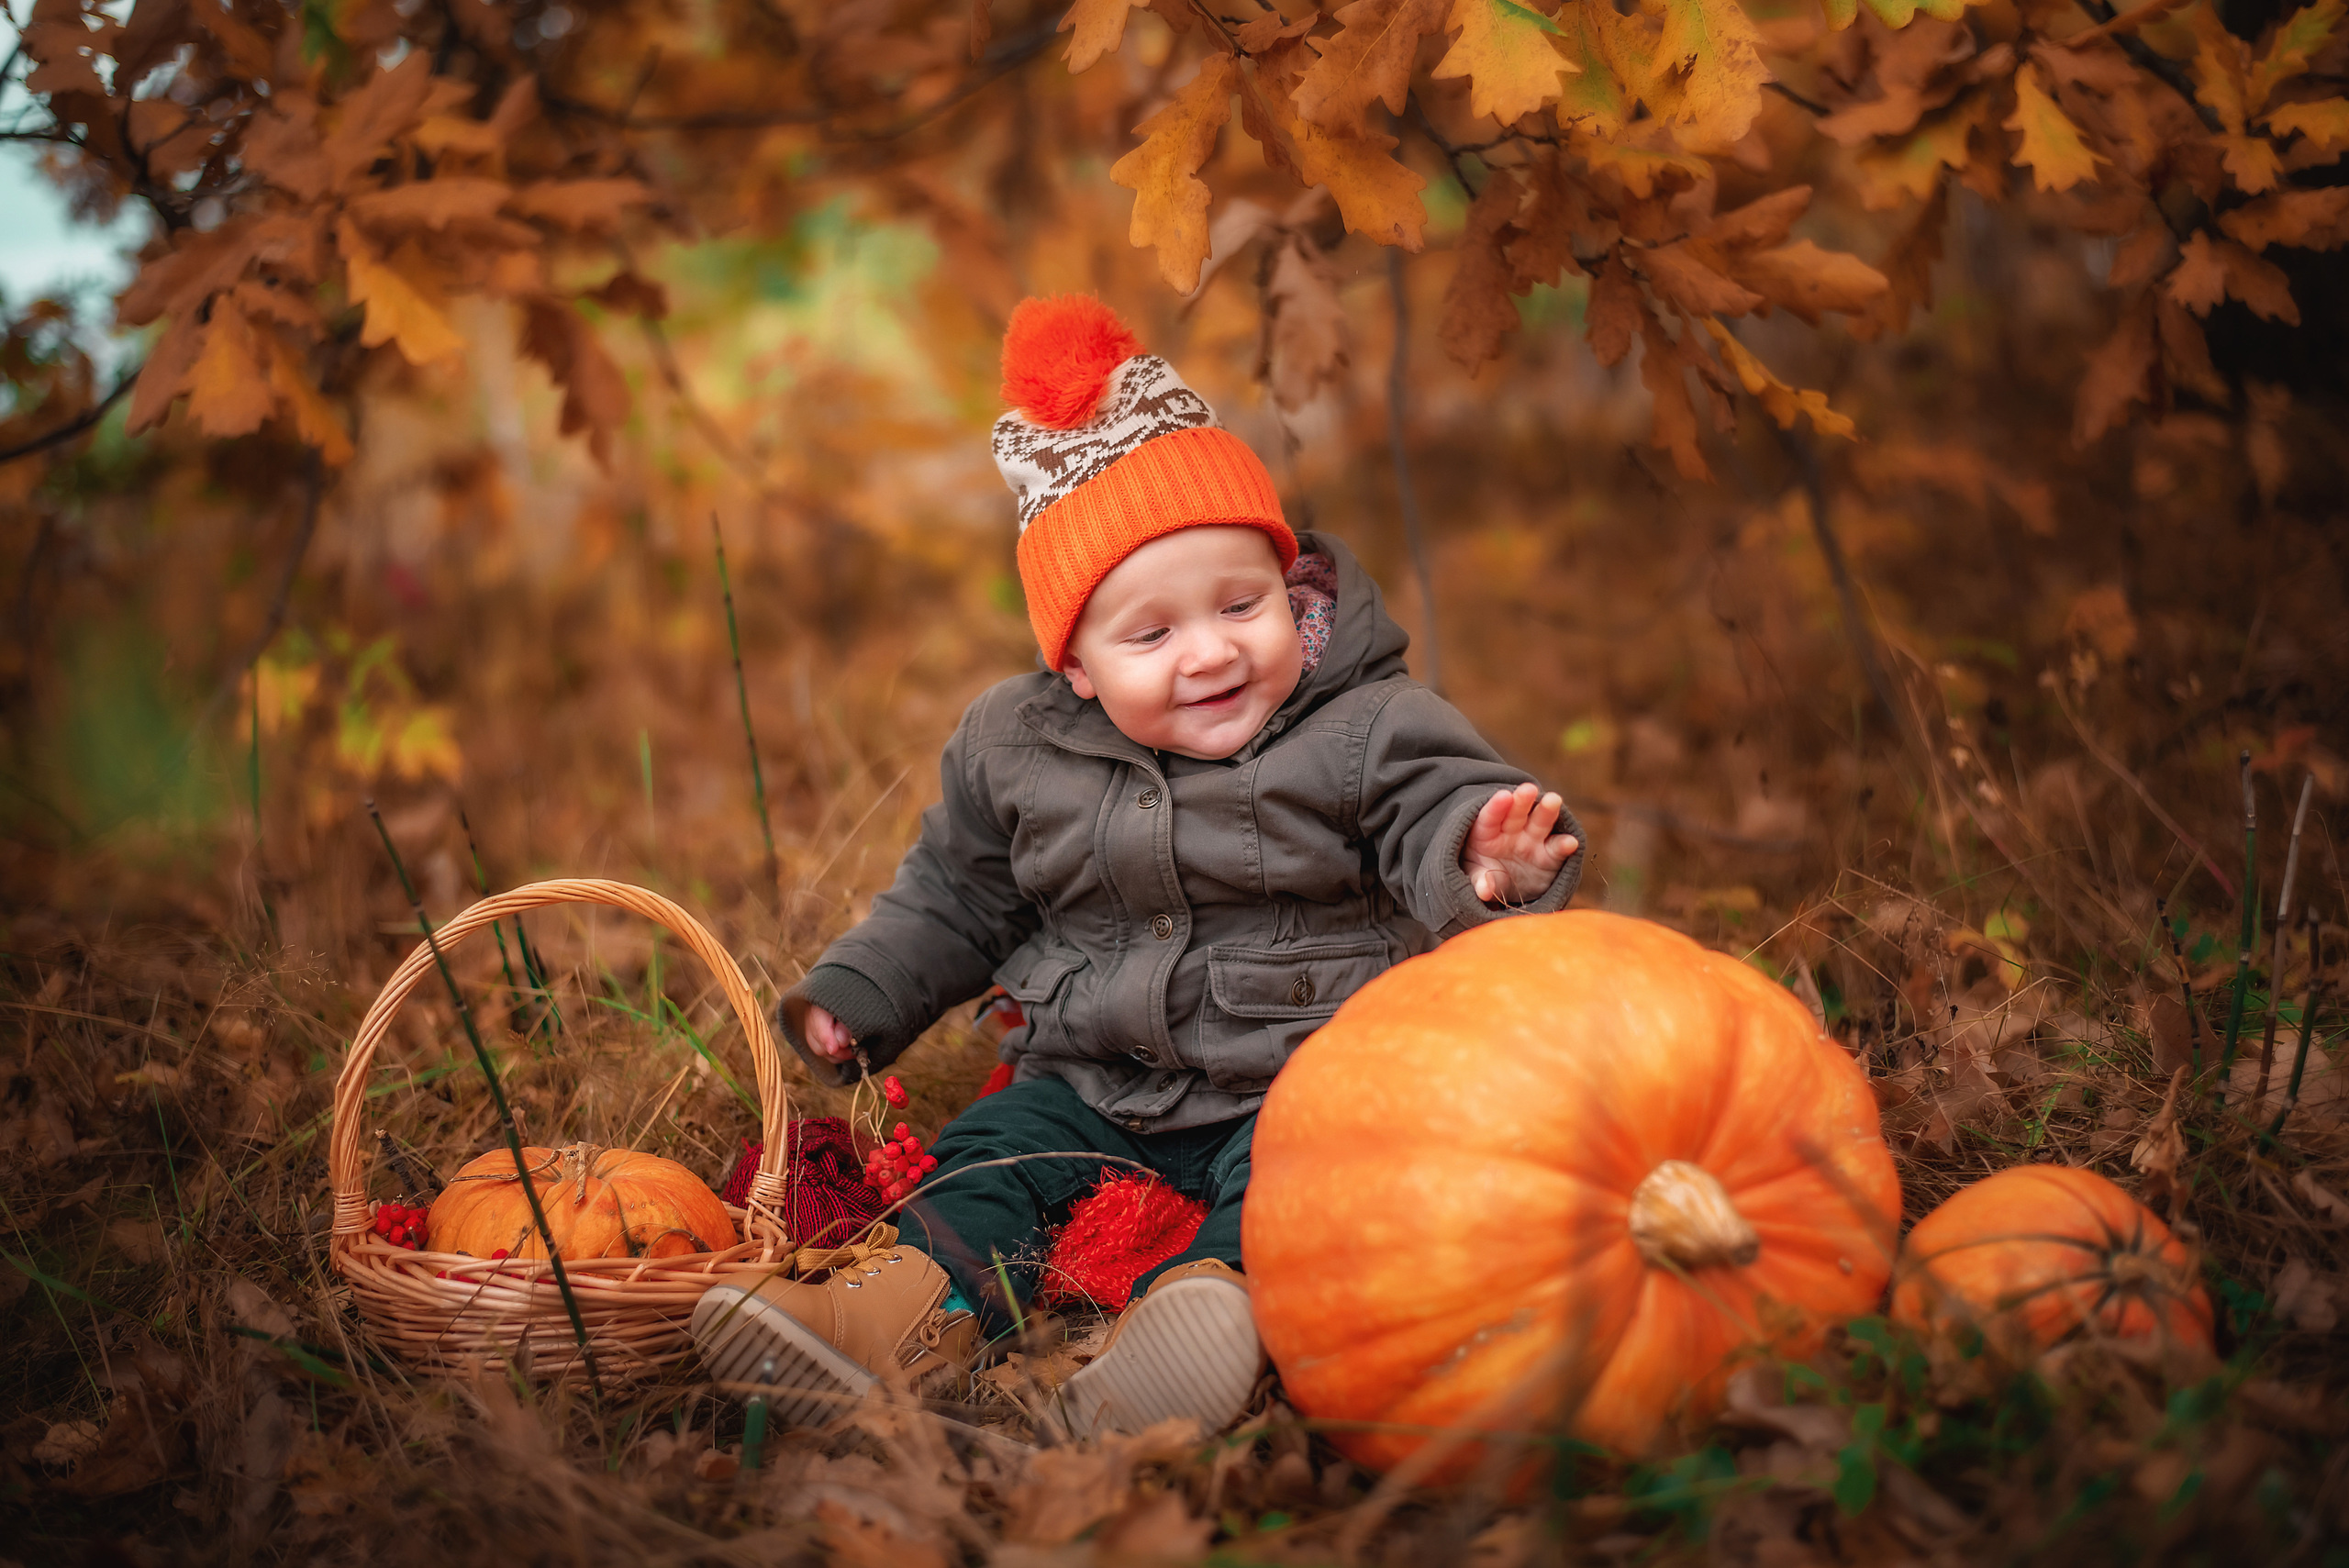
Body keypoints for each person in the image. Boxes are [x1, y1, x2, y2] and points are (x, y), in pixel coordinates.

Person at [690, 295, 1583, 1439]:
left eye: (1240, 604)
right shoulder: (1016, 746)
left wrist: (1480, 855)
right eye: (1151, 636)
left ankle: (1199, 1322)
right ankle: (891, 1316)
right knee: (988, 1165)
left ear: (1290, 586)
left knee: (1304, 1191)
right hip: (1091, 1075)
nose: (1210, 650)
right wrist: (861, 994)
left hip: (1299, 1075)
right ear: (1074, 667)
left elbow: (1430, 807)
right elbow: (957, 891)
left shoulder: (1362, 720)